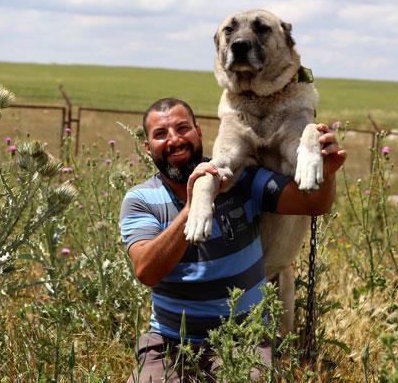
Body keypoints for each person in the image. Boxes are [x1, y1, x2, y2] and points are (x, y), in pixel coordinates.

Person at [120, 98, 346, 382]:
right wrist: (194, 205)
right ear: (147, 147)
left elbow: (312, 204)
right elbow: (147, 270)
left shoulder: (241, 179)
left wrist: (327, 173)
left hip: (244, 337)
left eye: (182, 128)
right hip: (170, 341)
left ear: (199, 132)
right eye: (161, 134)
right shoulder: (140, 200)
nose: (174, 140)